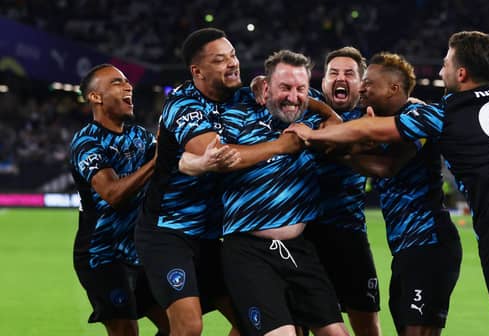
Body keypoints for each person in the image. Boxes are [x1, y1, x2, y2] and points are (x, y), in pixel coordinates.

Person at [286, 0, 489, 336]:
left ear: (460, 73)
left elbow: (372, 132)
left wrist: (315, 135)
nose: (439, 71)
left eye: (444, 63)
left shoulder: (442, 114)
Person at [135, 28, 302, 336]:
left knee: (252, 322)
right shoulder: (183, 105)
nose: (233, 63)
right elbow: (220, 156)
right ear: (197, 71)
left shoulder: (243, 94)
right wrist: (281, 145)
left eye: (233, 55)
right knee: (188, 326)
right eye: (220, 59)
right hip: (168, 232)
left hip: (213, 236)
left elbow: (298, 95)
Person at [181, 50, 349, 336]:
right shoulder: (237, 112)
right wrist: (281, 146)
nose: (293, 97)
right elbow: (218, 155)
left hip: (299, 249)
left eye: (301, 89)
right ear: (266, 87)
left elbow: (337, 127)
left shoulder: (307, 117)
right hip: (249, 250)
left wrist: (318, 109)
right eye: (284, 87)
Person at [347, 52, 461, 335]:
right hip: (405, 250)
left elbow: (387, 167)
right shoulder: (379, 120)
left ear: (393, 88)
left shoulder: (417, 116)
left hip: (429, 244)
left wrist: (332, 153)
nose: (361, 88)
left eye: (369, 83)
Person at [70, 64, 169, 336]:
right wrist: (159, 159)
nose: (129, 87)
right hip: (102, 256)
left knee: (180, 326)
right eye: (117, 82)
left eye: (128, 82)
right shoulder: (87, 142)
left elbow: (169, 172)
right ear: (95, 97)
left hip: (139, 253)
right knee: (126, 332)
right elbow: (113, 194)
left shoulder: (140, 137)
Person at [303, 47, 381, 336]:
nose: (340, 78)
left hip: (349, 234)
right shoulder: (303, 110)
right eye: (333, 73)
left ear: (361, 84)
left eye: (349, 74)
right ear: (323, 81)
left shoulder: (371, 115)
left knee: (368, 325)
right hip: (304, 236)